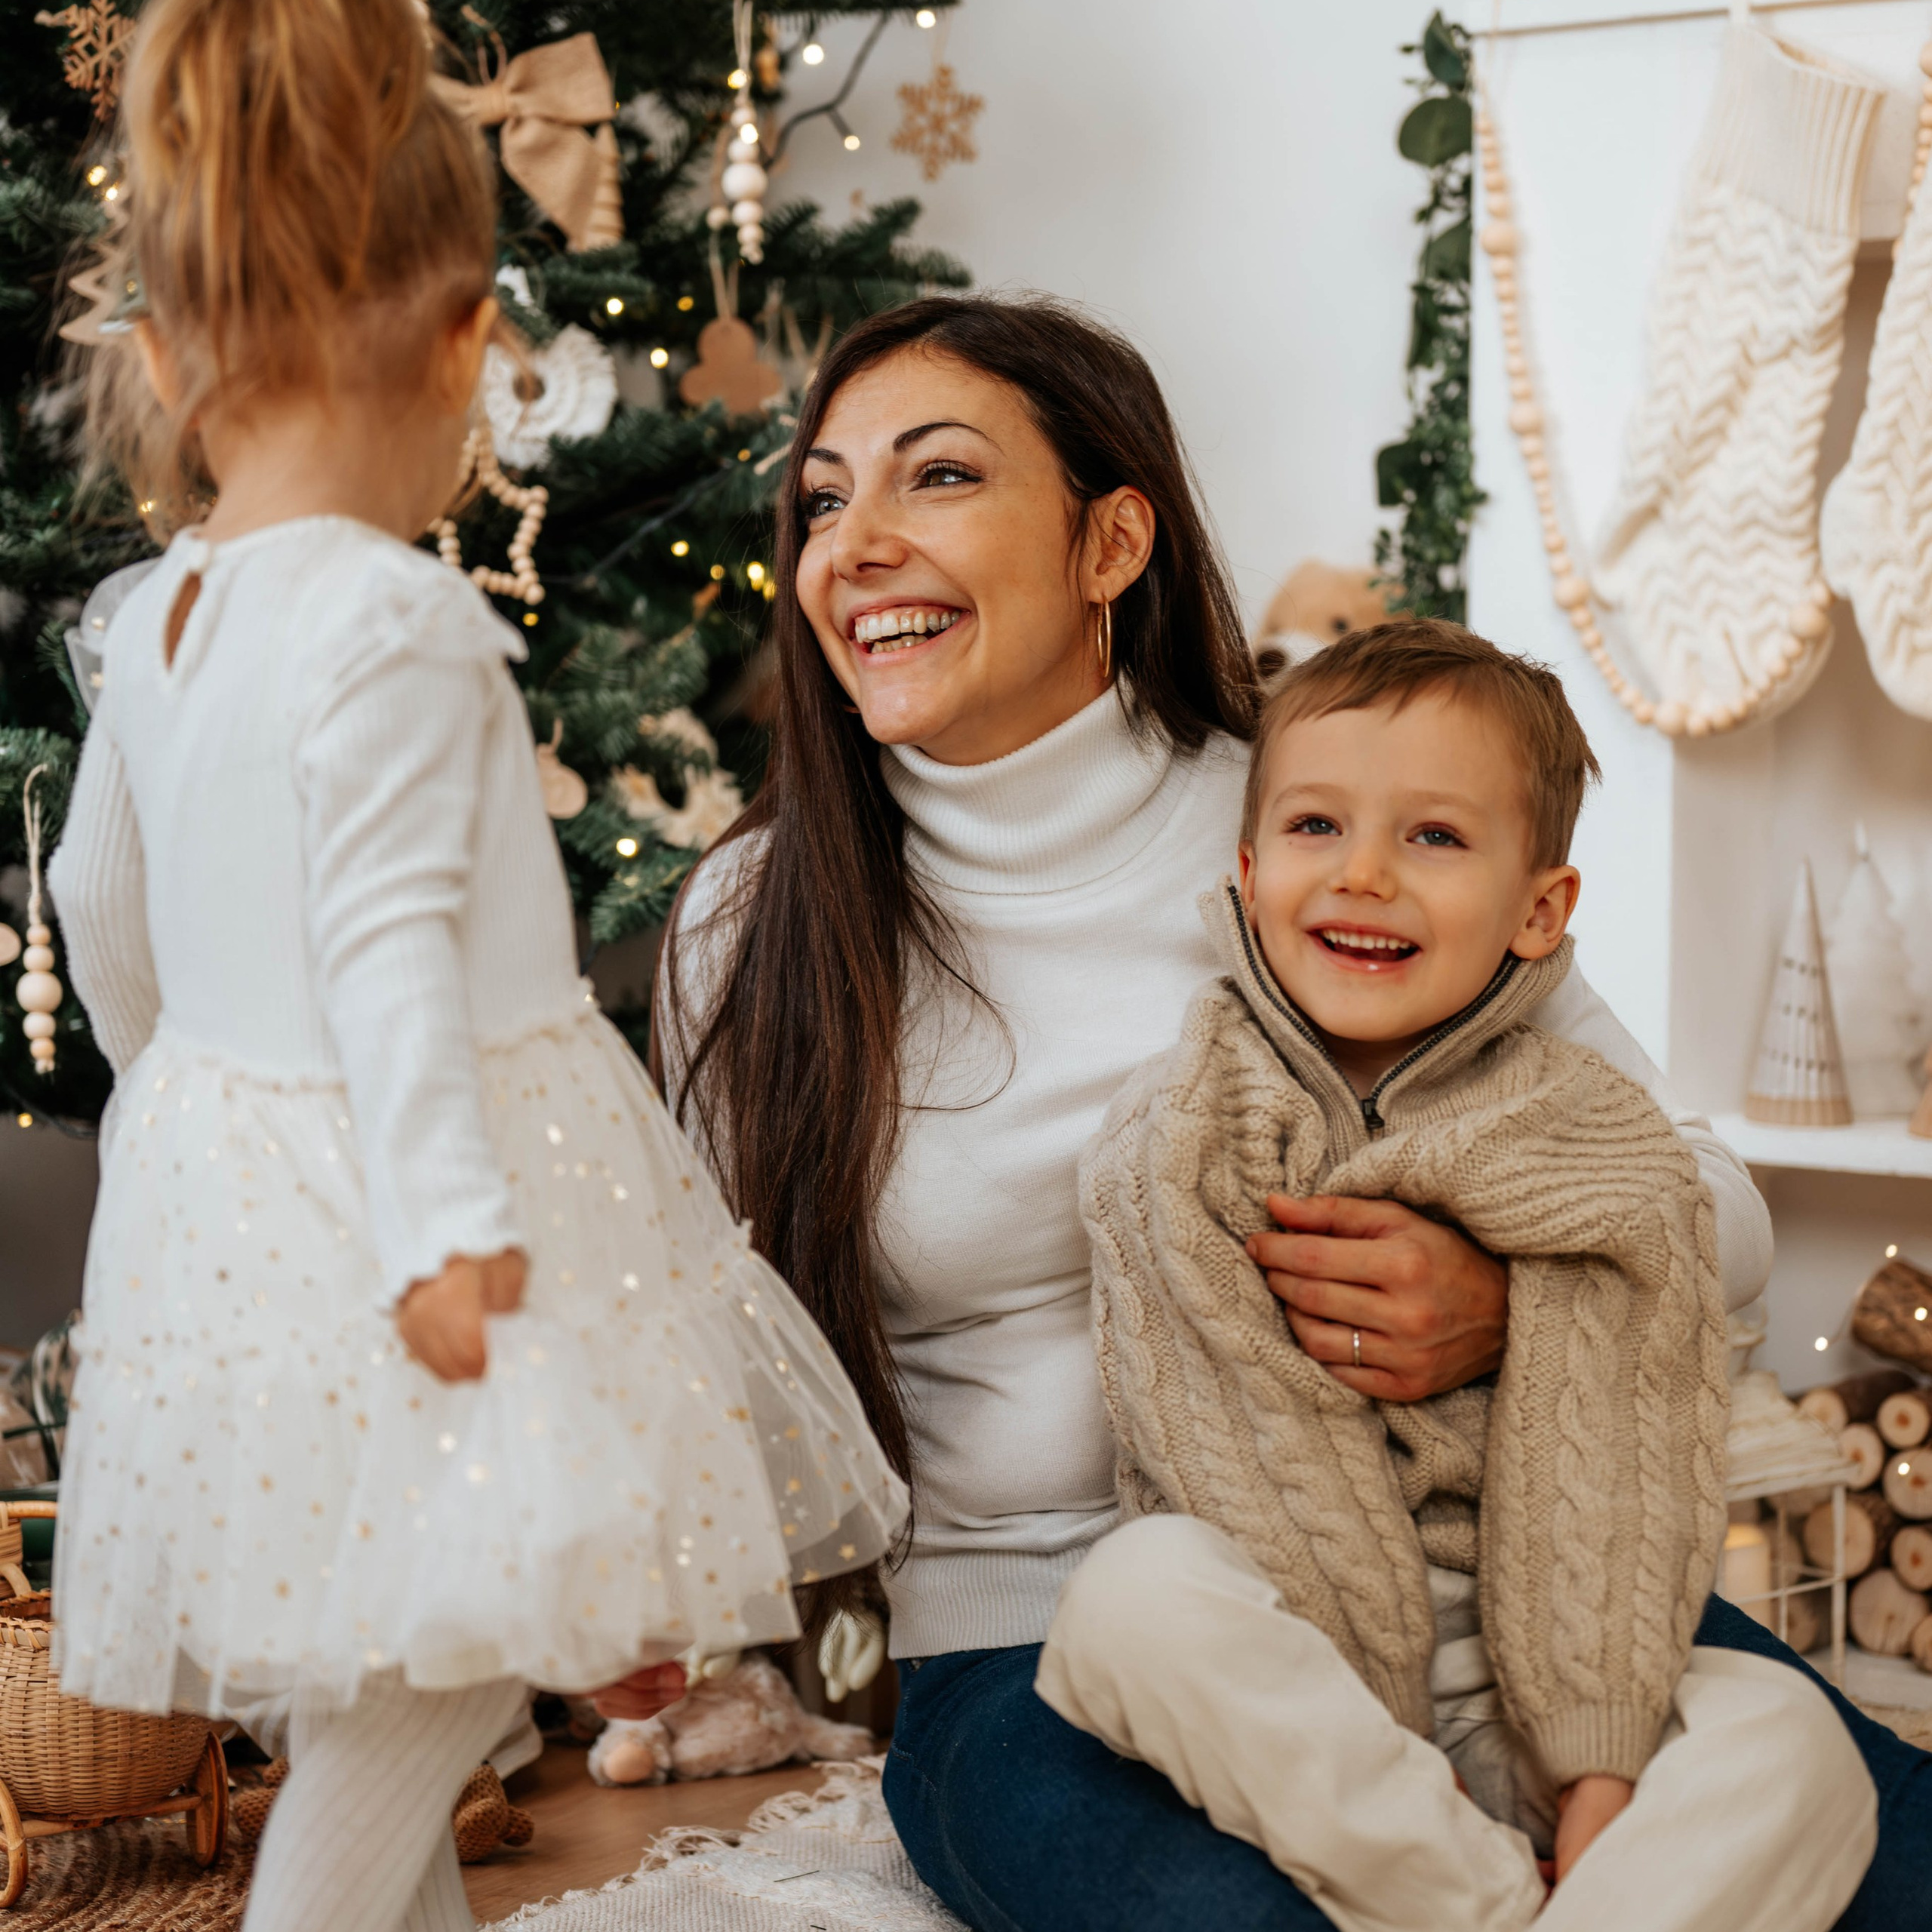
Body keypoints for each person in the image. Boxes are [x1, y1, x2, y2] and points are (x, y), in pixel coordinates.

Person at [660, 290, 1932, 1932]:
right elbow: (716, 1353)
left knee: (1869, 1837)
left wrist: (1498, 1298)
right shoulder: (751, 921)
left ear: (1111, 541)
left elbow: (1703, 1201)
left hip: (1476, 1587)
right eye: (823, 499)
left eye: (937, 478)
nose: (858, 543)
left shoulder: (1320, 822)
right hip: (1038, 1634)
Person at [45, 5, 904, 1930]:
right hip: (444, 1232)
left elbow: (105, 903)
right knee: (412, 1714)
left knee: (389, 1705)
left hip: (245, 1215)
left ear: (176, 356)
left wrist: (186, 1113)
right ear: (464, 342)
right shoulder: (402, 617)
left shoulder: (162, 617)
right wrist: (438, 1237)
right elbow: (389, 964)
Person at [1043, 620, 1872, 1932]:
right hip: (1309, 1687)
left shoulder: (1589, 1132)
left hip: (1547, 1656)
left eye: (1434, 838)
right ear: (1250, 870)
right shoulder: (1181, 1130)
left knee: (1796, 1740)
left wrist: (1595, 1761)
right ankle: (1489, 1907)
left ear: (1539, 909)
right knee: (1131, 1601)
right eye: (1317, 828)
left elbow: (1624, 1441)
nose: (1365, 875)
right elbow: (1226, 1445)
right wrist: (1381, 1724)